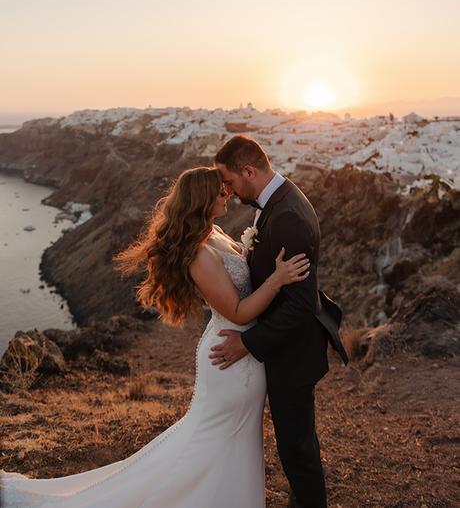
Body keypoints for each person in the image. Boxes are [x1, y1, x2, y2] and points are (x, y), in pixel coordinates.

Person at [0, 166, 310, 508]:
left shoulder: (216, 233)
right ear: (202, 199)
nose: (228, 195)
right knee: (210, 443)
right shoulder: (198, 254)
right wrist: (276, 281)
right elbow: (237, 311)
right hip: (229, 356)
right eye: (220, 192)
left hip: (243, 354)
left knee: (232, 442)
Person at [213, 135, 348, 508]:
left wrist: (247, 343)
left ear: (249, 171)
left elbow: (300, 305)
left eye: (229, 181)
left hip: (291, 352)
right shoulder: (279, 199)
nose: (227, 189)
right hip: (287, 347)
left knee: (298, 450)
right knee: (295, 445)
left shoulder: (286, 215)